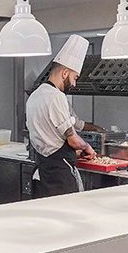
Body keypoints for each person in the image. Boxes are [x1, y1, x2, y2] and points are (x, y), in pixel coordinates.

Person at [26, 35, 97, 198]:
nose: (74, 84)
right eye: (75, 77)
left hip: (43, 173)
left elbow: (51, 138)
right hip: (59, 177)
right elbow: (72, 139)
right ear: (65, 73)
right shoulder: (56, 97)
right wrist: (86, 146)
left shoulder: (34, 96)